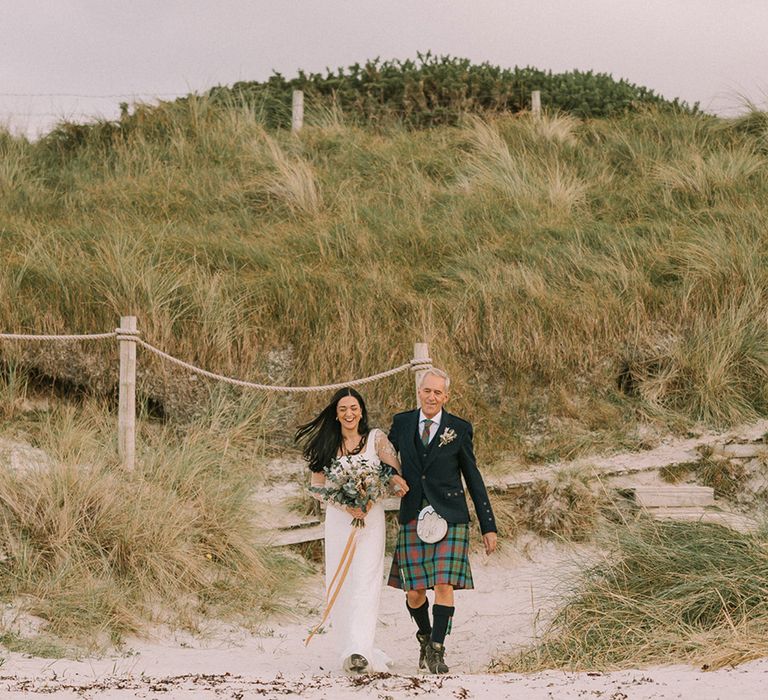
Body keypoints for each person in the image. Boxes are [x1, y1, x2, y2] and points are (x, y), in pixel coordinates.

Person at [387, 368, 498, 674]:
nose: (432, 397)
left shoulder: (458, 428)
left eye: (438, 392)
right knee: (414, 592)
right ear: (419, 392)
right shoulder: (402, 422)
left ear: (446, 396)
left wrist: (488, 526)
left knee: (443, 584)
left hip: (450, 516)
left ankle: (437, 649)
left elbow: (473, 479)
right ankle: (424, 638)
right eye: (427, 391)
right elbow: (385, 459)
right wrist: (392, 475)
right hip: (413, 513)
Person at [296, 387, 409, 674]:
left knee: (366, 579)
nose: (349, 414)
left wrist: (373, 495)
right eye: (343, 409)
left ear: (361, 411)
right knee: (341, 580)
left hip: (371, 519)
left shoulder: (376, 439)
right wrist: (346, 505)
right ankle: (349, 647)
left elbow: (393, 476)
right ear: (336, 414)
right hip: (338, 521)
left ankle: (361, 649)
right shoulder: (328, 445)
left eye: (354, 408)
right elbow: (316, 488)